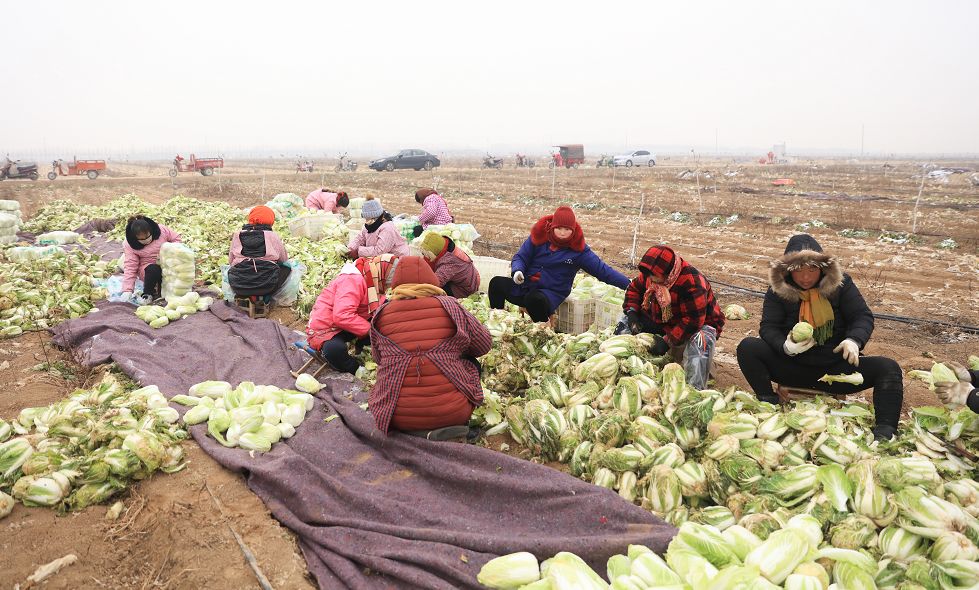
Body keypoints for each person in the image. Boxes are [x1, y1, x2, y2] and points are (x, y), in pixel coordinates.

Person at [735, 234, 903, 440]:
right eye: (798, 271)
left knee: (889, 368)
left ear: (823, 268)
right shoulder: (778, 290)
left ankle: (885, 431)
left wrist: (854, 340)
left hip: (834, 372)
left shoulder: (841, 285)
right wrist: (785, 346)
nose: (805, 278)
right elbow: (769, 326)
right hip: (791, 366)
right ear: (788, 270)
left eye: (812, 270)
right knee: (748, 347)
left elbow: (862, 316)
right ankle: (769, 401)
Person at [368, 257, 491, 437]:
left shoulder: (380, 314)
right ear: (431, 279)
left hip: (397, 416)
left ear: (396, 284)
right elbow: (484, 345)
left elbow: (378, 359)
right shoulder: (452, 306)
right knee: (471, 361)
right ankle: (454, 423)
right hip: (453, 413)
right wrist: (454, 348)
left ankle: (414, 430)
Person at [488, 205, 629, 323]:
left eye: (567, 230)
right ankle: (497, 321)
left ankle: (543, 330)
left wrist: (629, 285)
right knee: (496, 284)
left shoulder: (579, 251)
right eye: (559, 228)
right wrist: (518, 271)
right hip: (525, 286)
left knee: (534, 300)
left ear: (573, 231)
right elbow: (521, 257)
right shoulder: (539, 237)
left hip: (550, 293)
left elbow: (603, 271)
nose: (562, 233)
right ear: (552, 227)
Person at [620, 246, 725, 390]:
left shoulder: (692, 282)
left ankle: (694, 387)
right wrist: (632, 314)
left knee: (700, 341)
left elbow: (693, 321)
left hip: (697, 325)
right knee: (625, 322)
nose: (650, 279)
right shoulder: (651, 274)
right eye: (648, 275)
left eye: (653, 276)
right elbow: (634, 289)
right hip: (665, 319)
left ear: (666, 272)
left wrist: (667, 341)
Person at [306, 255, 400, 375]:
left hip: (351, 320)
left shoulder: (373, 276)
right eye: (387, 285)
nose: (386, 288)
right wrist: (370, 330)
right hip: (328, 326)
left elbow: (379, 304)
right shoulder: (352, 280)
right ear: (383, 276)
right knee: (334, 350)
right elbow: (342, 315)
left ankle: (361, 344)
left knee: (386, 310)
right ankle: (355, 368)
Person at [227, 205, 290, 302]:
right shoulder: (272, 236)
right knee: (287, 268)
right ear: (270, 221)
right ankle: (265, 297)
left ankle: (246, 295)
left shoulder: (237, 235)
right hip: (268, 286)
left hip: (239, 286)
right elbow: (284, 259)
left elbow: (230, 261)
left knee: (232, 268)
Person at [121, 215, 182, 303]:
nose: (146, 240)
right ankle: (148, 293)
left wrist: (167, 252)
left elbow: (177, 239)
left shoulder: (161, 230)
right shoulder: (129, 244)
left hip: (168, 261)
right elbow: (130, 266)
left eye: (147, 236)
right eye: (142, 239)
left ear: (151, 230)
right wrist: (127, 290)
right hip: (148, 268)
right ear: (135, 237)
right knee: (153, 269)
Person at [416, 231, 480, 299]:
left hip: (465, 289)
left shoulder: (450, 263)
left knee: (434, 293)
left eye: (427, 253)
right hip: (459, 279)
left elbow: (435, 283)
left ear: (435, 251)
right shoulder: (443, 247)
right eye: (424, 253)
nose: (426, 256)